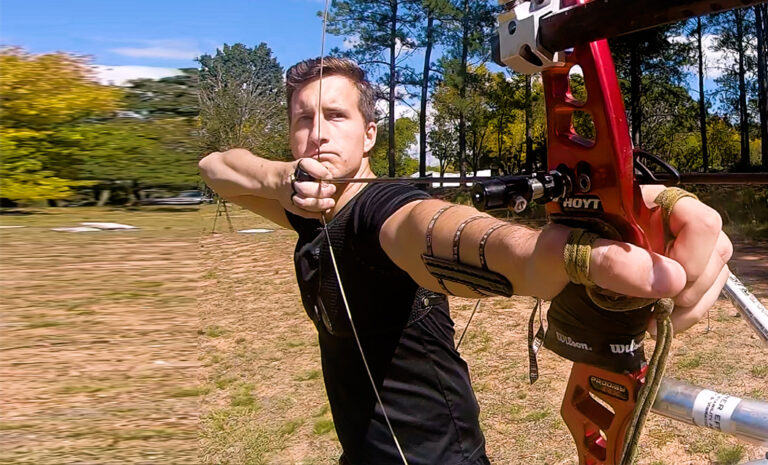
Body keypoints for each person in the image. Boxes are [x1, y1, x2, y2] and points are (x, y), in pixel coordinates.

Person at [198, 57, 734, 465]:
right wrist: (279, 181)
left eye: (335, 115)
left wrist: (563, 257)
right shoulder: (306, 211)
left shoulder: (378, 210)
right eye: (303, 119)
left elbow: (436, 232)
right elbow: (215, 165)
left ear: (369, 134)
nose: (316, 133)